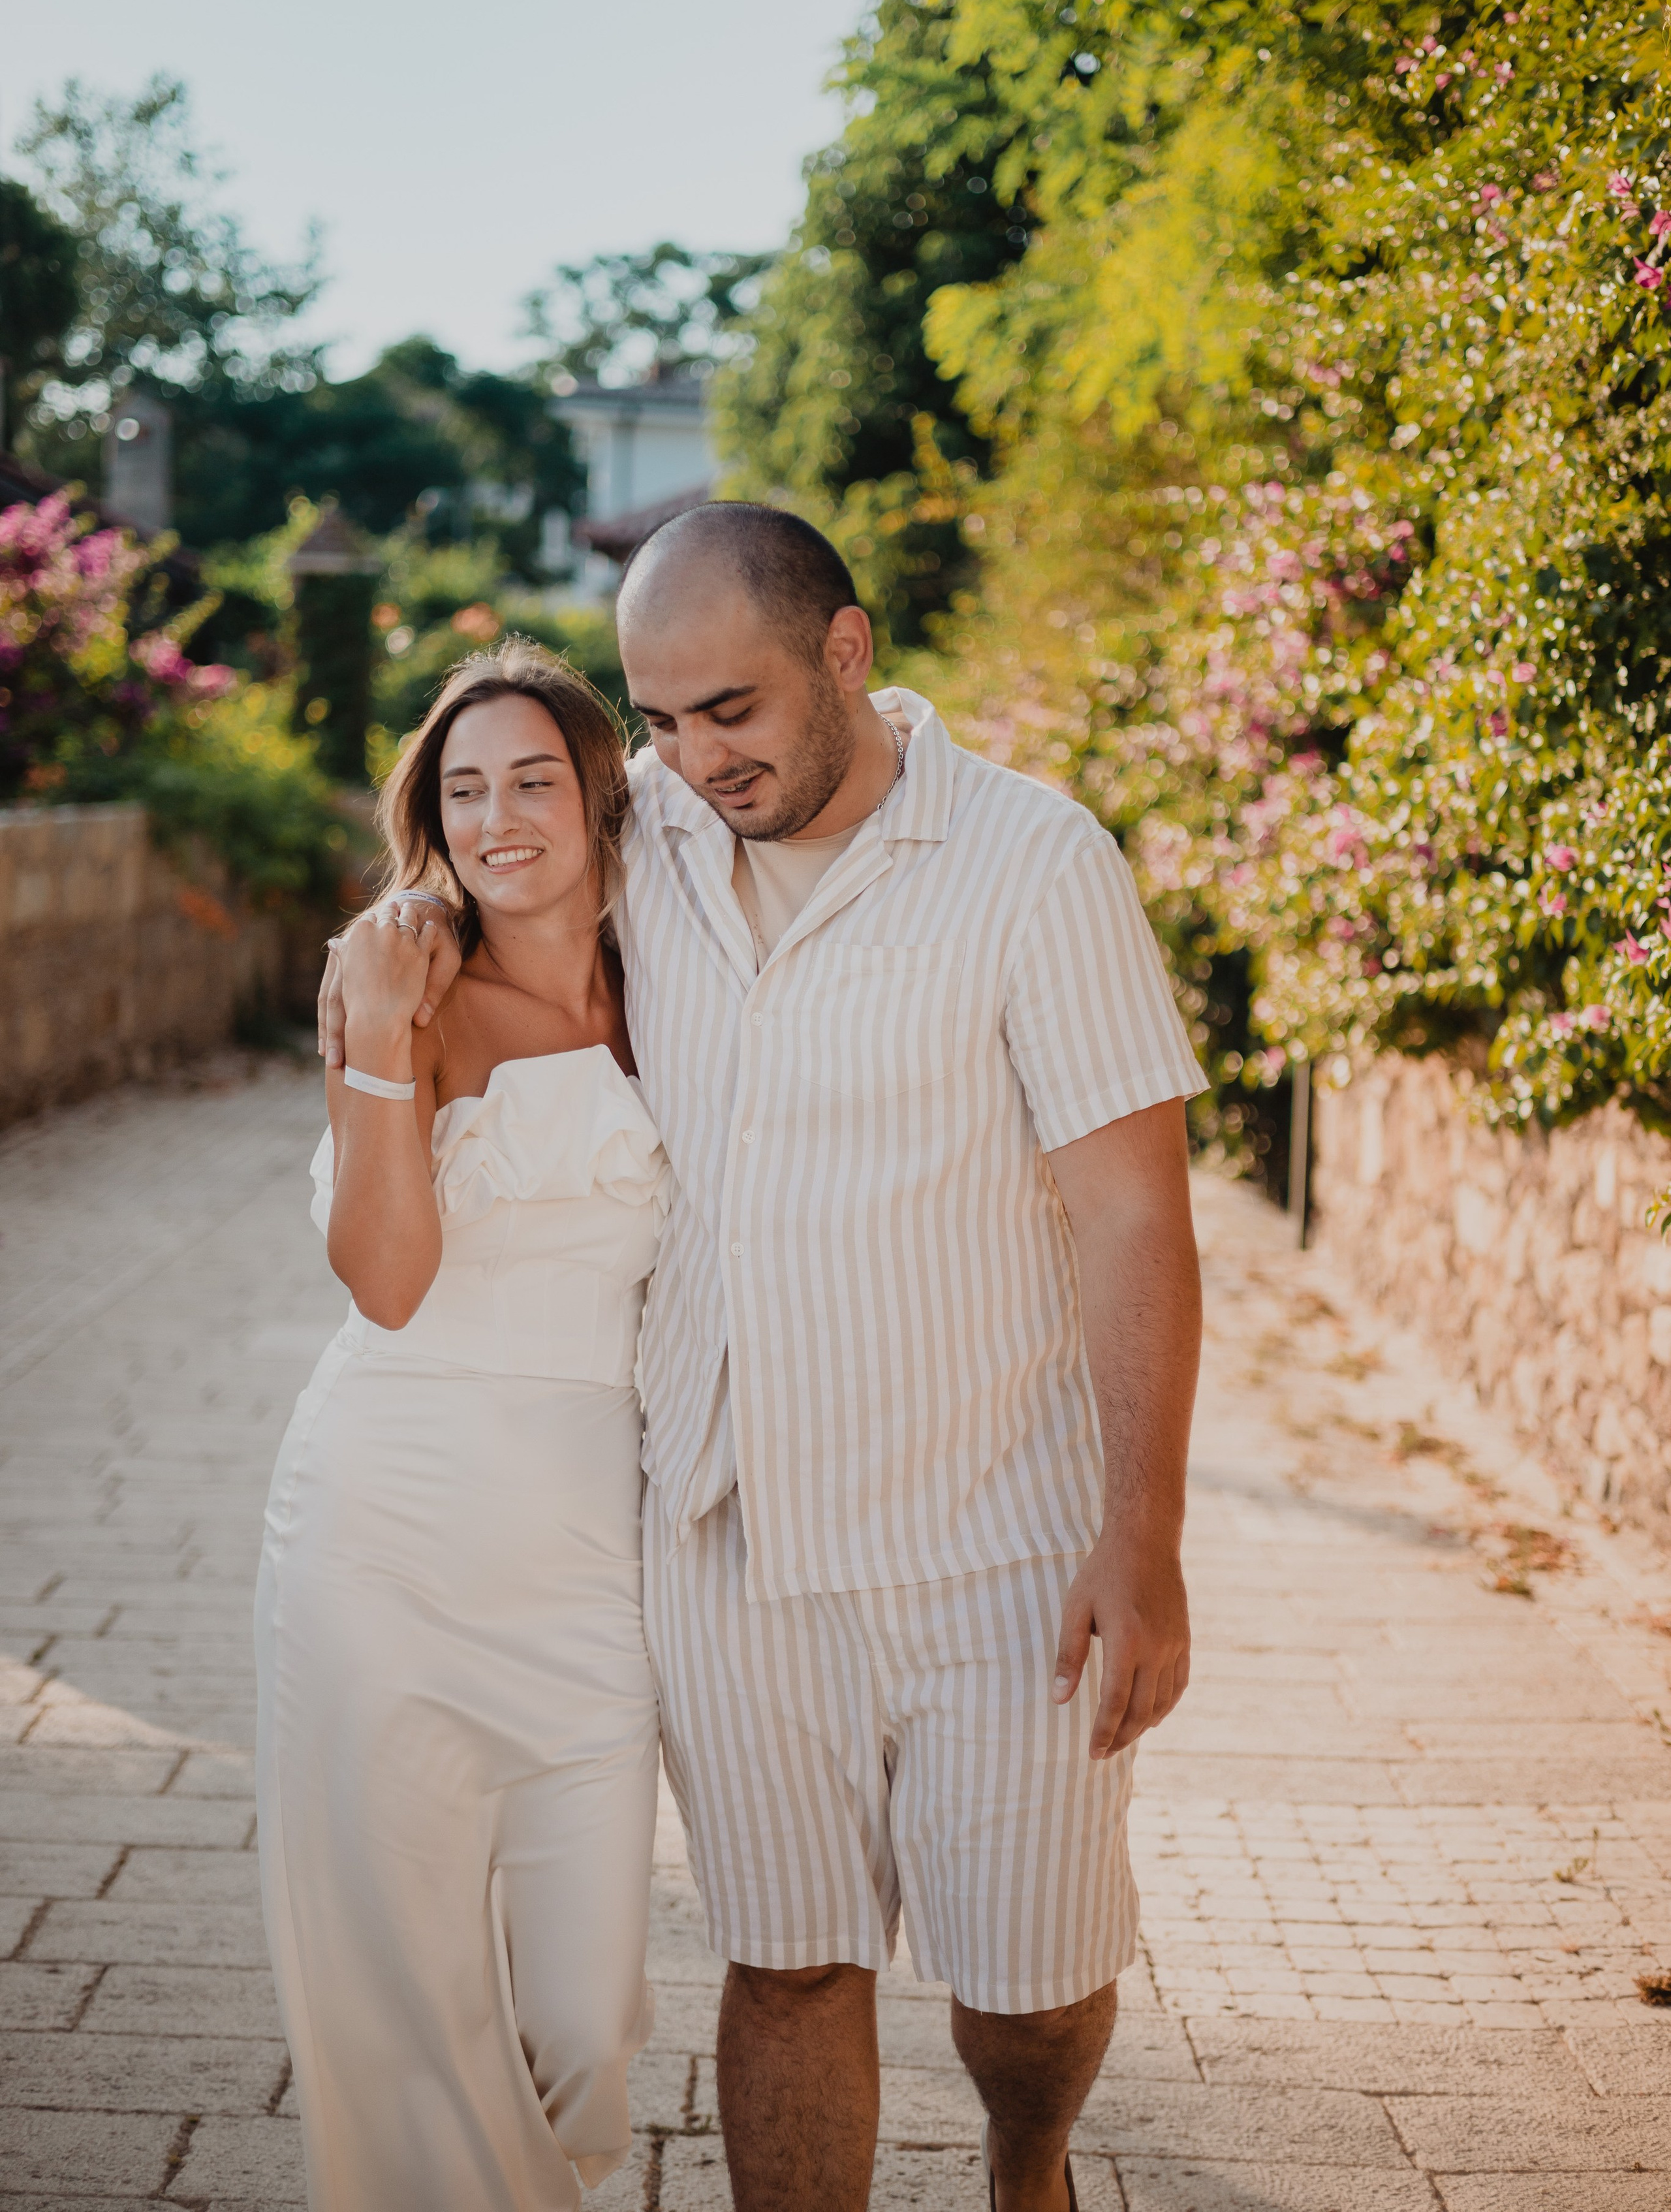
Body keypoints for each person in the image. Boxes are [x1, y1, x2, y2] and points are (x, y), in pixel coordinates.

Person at [324, 500, 1207, 2212]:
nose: (691, 758)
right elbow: (493, 868)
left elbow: (1133, 1219)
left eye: (729, 710)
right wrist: (399, 951)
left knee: (1027, 1987)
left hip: (999, 1543)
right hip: (726, 1537)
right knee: (791, 1967)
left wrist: (1144, 1538)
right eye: (655, 722)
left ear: (848, 654)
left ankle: (1030, 2167)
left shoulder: (1038, 865)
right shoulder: (645, 836)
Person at [262, 644, 666, 2212]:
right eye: (464, 787)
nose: (500, 819)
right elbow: (387, 1283)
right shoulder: (406, 992)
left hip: (592, 1549)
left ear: (601, 794)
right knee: (406, 1990)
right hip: (387, 1525)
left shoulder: (682, 978)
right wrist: (372, 1039)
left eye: (535, 781)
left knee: (583, 2020)